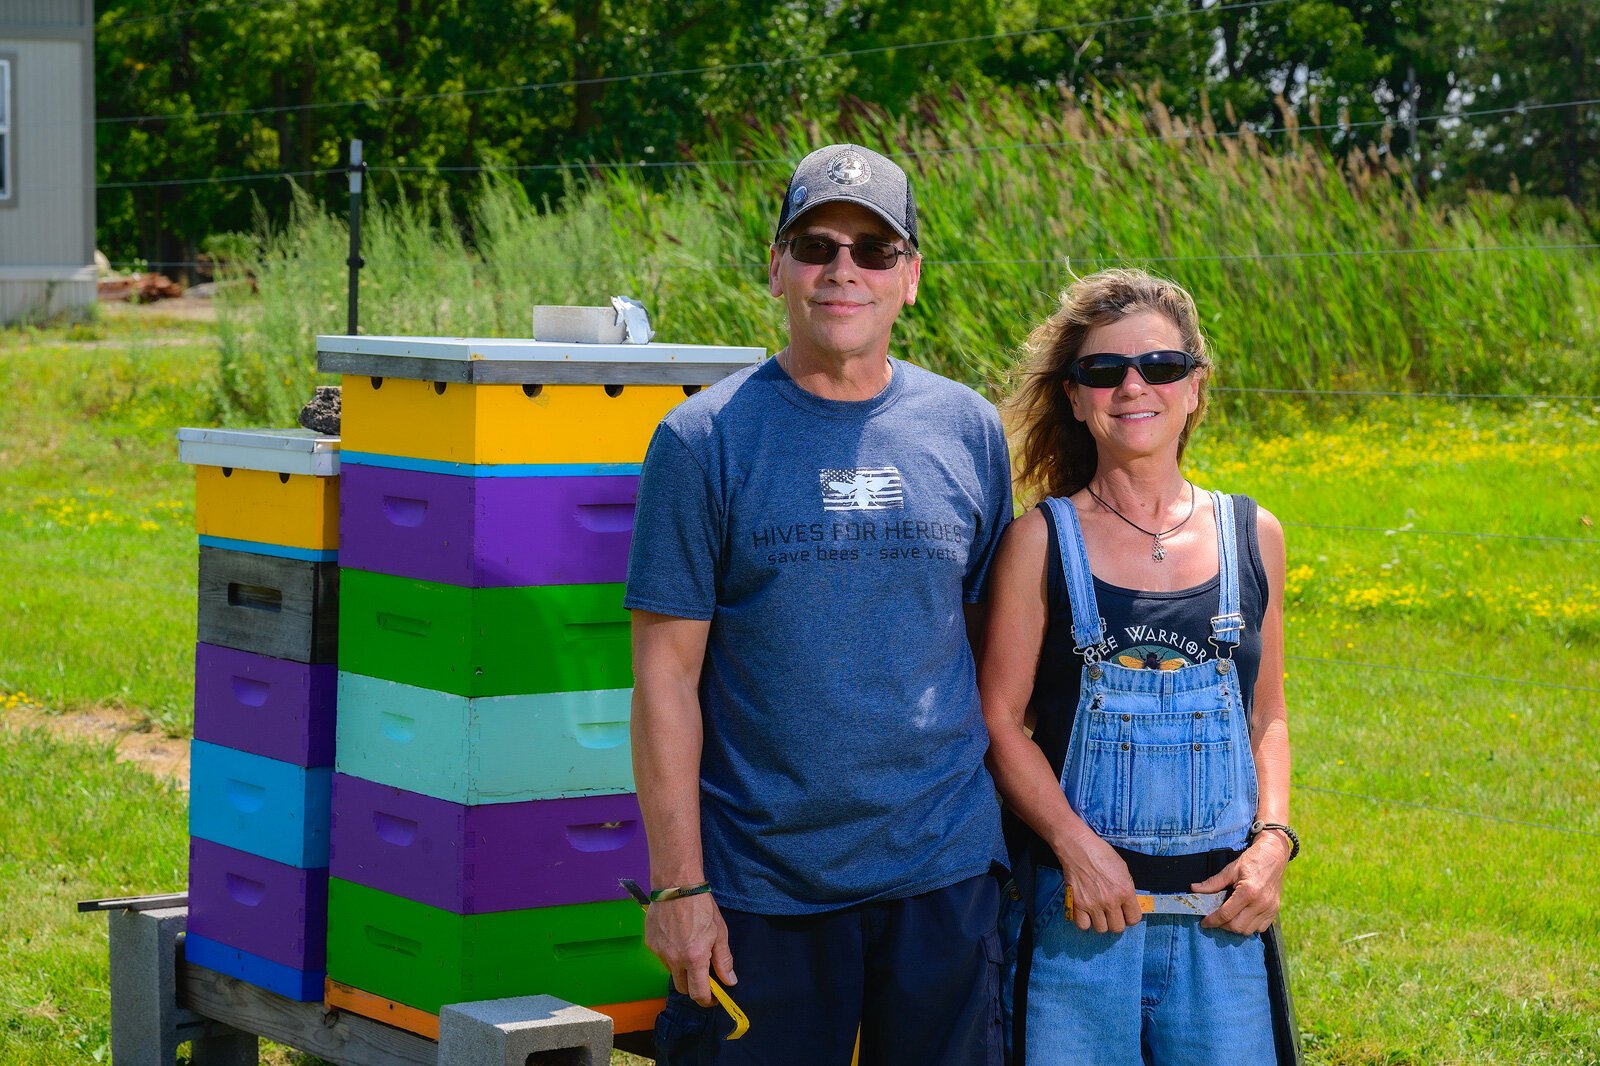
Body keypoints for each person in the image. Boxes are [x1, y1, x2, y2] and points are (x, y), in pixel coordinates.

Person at [623, 143, 1014, 1065]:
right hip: (762, 888)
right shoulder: (702, 441)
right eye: (817, 245)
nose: (845, 270)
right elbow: (664, 679)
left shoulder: (968, 430)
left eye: (875, 250)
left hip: (943, 876)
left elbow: (986, 649)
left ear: (910, 278)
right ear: (776, 267)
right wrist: (680, 890)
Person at [981, 269, 1300, 1064]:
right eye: (1104, 371)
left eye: (1159, 366)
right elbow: (997, 722)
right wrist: (1075, 849)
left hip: (1223, 929)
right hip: (1082, 926)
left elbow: (1269, 716)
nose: (1134, 386)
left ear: (1194, 386)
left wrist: (1274, 844)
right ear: (1076, 397)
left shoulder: (1254, 535)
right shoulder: (1039, 544)